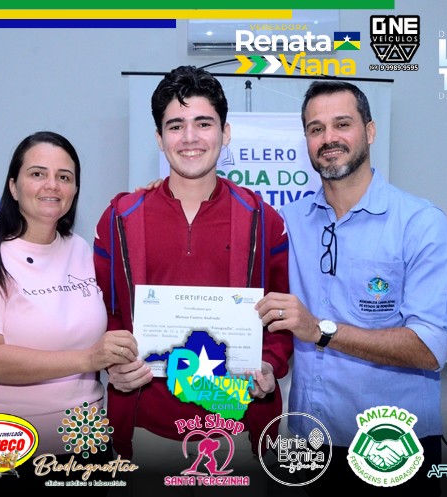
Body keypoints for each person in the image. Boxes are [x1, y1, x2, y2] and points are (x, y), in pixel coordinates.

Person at [255, 81, 447, 495]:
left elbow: (428, 348)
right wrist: (166, 191)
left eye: (342, 124)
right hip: (312, 438)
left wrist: (320, 331)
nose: (328, 138)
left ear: (370, 131)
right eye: (316, 128)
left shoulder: (421, 224)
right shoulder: (287, 223)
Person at [93, 65, 293, 487]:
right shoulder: (121, 217)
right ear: (159, 138)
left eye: (203, 123)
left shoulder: (263, 219)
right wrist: (113, 361)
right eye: (175, 126)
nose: (189, 137)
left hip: (237, 426)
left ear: (225, 132)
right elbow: (104, 313)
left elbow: (280, 318)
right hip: (148, 427)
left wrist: (269, 364)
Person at [0, 131, 138, 493]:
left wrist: (117, 361)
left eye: (64, 176)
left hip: (85, 438)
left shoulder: (80, 250)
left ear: (75, 189)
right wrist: (88, 359)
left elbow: (95, 329)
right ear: (13, 187)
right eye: (37, 174)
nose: (52, 185)